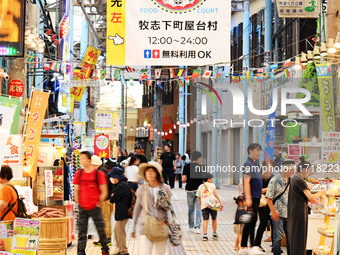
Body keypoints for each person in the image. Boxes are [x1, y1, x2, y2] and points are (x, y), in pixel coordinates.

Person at [287, 157, 327, 255]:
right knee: (299, 237)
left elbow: (306, 197)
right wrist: (322, 192)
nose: (309, 173)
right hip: (298, 211)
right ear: (304, 170)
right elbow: (310, 195)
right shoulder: (298, 180)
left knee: (296, 236)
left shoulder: (295, 178)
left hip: (296, 211)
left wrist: (312, 199)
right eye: (309, 170)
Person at [73, 151, 109, 255]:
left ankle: (105, 249)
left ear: (89, 160)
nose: (82, 161)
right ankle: (80, 252)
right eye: (80, 159)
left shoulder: (98, 174)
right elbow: (76, 189)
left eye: (84, 158)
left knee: (101, 230)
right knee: (82, 232)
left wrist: (99, 201)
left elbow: (104, 191)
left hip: (95, 207)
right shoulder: (79, 173)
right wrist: (78, 201)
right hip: (83, 207)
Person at [132, 161, 172, 255]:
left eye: (152, 171)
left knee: (160, 253)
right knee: (145, 252)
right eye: (147, 171)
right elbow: (137, 208)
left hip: (161, 225)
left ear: (157, 173)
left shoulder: (165, 188)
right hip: (145, 225)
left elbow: (168, 208)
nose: (149, 173)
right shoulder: (142, 189)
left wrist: (161, 200)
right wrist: (133, 227)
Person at [240, 144, 265, 255]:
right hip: (252, 197)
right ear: (250, 151)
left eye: (260, 150)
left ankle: (244, 247)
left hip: (256, 196)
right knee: (252, 221)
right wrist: (248, 198)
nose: (259, 152)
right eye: (256, 150)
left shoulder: (256, 164)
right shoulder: (248, 164)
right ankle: (252, 246)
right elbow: (246, 182)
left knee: (251, 221)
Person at [266, 160, 295, 255]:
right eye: (291, 169)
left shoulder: (292, 180)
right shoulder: (275, 180)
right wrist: (273, 211)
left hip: (290, 214)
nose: (292, 171)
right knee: (278, 238)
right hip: (278, 214)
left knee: (291, 238)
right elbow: (269, 198)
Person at [91, 156, 112, 247]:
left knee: (105, 219)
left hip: (105, 200)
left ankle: (107, 239)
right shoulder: (102, 171)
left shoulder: (101, 172)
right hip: (106, 199)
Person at [109, 167, 132, 255]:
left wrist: (112, 196)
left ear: (116, 178)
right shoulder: (124, 184)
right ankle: (120, 250)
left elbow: (113, 199)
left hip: (122, 213)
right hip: (123, 212)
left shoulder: (121, 186)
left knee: (120, 233)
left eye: (112, 177)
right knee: (117, 232)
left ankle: (124, 251)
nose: (111, 179)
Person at [196, 173, 223, 241]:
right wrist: (220, 202)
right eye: (211, 179)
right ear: (208, 179)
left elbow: (199, 196)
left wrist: (201, 203)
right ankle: (214, 233)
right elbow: (215, 194)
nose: (212, 180)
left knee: (205, 220)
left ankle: (205, 235)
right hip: (212, 204)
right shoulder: (212, 185)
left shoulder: (200, 186)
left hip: (204, 205)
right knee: (214, 219)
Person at [254, 159, 274, 251]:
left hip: (273, 203)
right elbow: (258, 191)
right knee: (263, 224)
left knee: (274, 224)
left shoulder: (273, 177)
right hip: (263, 204)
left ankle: (275, 245)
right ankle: (257, 244)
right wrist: (269, 189)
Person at [182, 151, 204, 234]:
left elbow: (183, 179)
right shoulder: (201, 167)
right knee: (199, 209)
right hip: (199, 190)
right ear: (198, 158)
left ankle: (190, 227)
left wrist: (189, 180)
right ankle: (197, 227)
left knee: (190, 209)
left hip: (189, 190)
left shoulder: (186, 166)